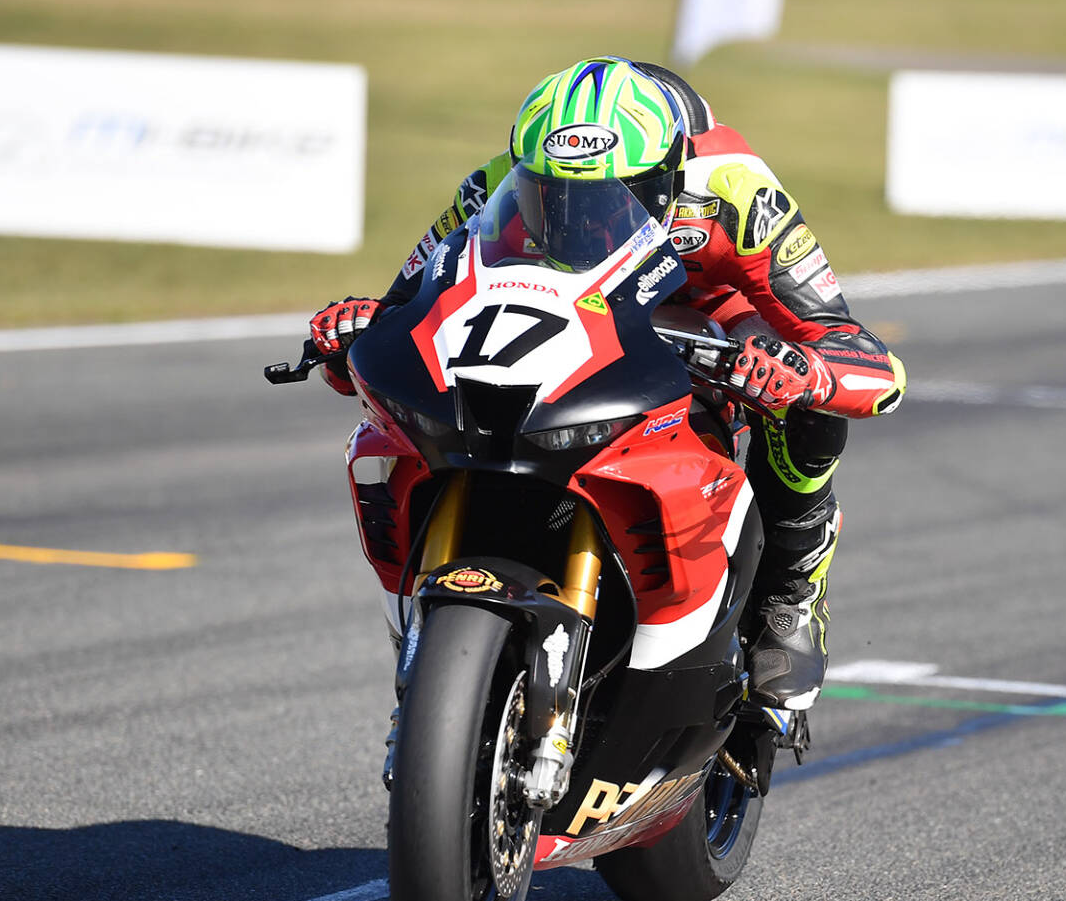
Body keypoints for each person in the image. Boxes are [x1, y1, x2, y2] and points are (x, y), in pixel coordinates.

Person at [309, 56, 906, 710]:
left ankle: (791, 595)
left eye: (614, 198)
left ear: (669, 177)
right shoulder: (491, 185)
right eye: (552, 195)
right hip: (572, 316)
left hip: (709, 317)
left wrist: (802, 371)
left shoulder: (737, 194)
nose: (580, 219)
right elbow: (405, 310)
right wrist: (349, 334)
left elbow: (861, 354)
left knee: (805, 412)